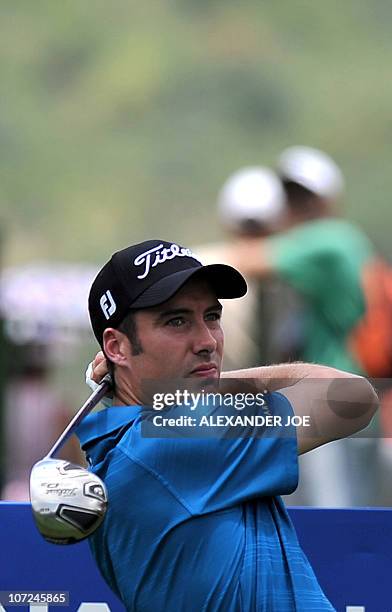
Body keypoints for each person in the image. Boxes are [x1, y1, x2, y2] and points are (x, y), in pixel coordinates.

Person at [77, 238, 378, 611]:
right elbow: (352, 398)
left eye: (213, 317)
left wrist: (201, 381)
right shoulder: (179, 438)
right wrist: (216, 382)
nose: (207, 341)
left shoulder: (121, 450)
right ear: (117, 347)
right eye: (176, 321)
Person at [222, 146, 379, 506]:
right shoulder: (324, 248)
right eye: (289, 196)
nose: (296, 206)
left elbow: (249, 260)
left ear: (327, 200)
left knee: (334, 512)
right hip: (344, 399)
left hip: (334, 399)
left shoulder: (328, 241)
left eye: (304, 196)